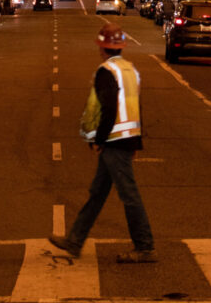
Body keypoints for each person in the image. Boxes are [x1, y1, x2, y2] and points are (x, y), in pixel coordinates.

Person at [49, 23, 156, 264]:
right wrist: (136, 142)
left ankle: (145, 246)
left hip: (114, 141)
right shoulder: (130, 70)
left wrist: (98, 140)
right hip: (125, 138)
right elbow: (136, 106)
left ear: (102, 47)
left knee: (129, 195)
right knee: (97, 193)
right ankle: (75, 241)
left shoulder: (106, 71)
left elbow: (108, 109)